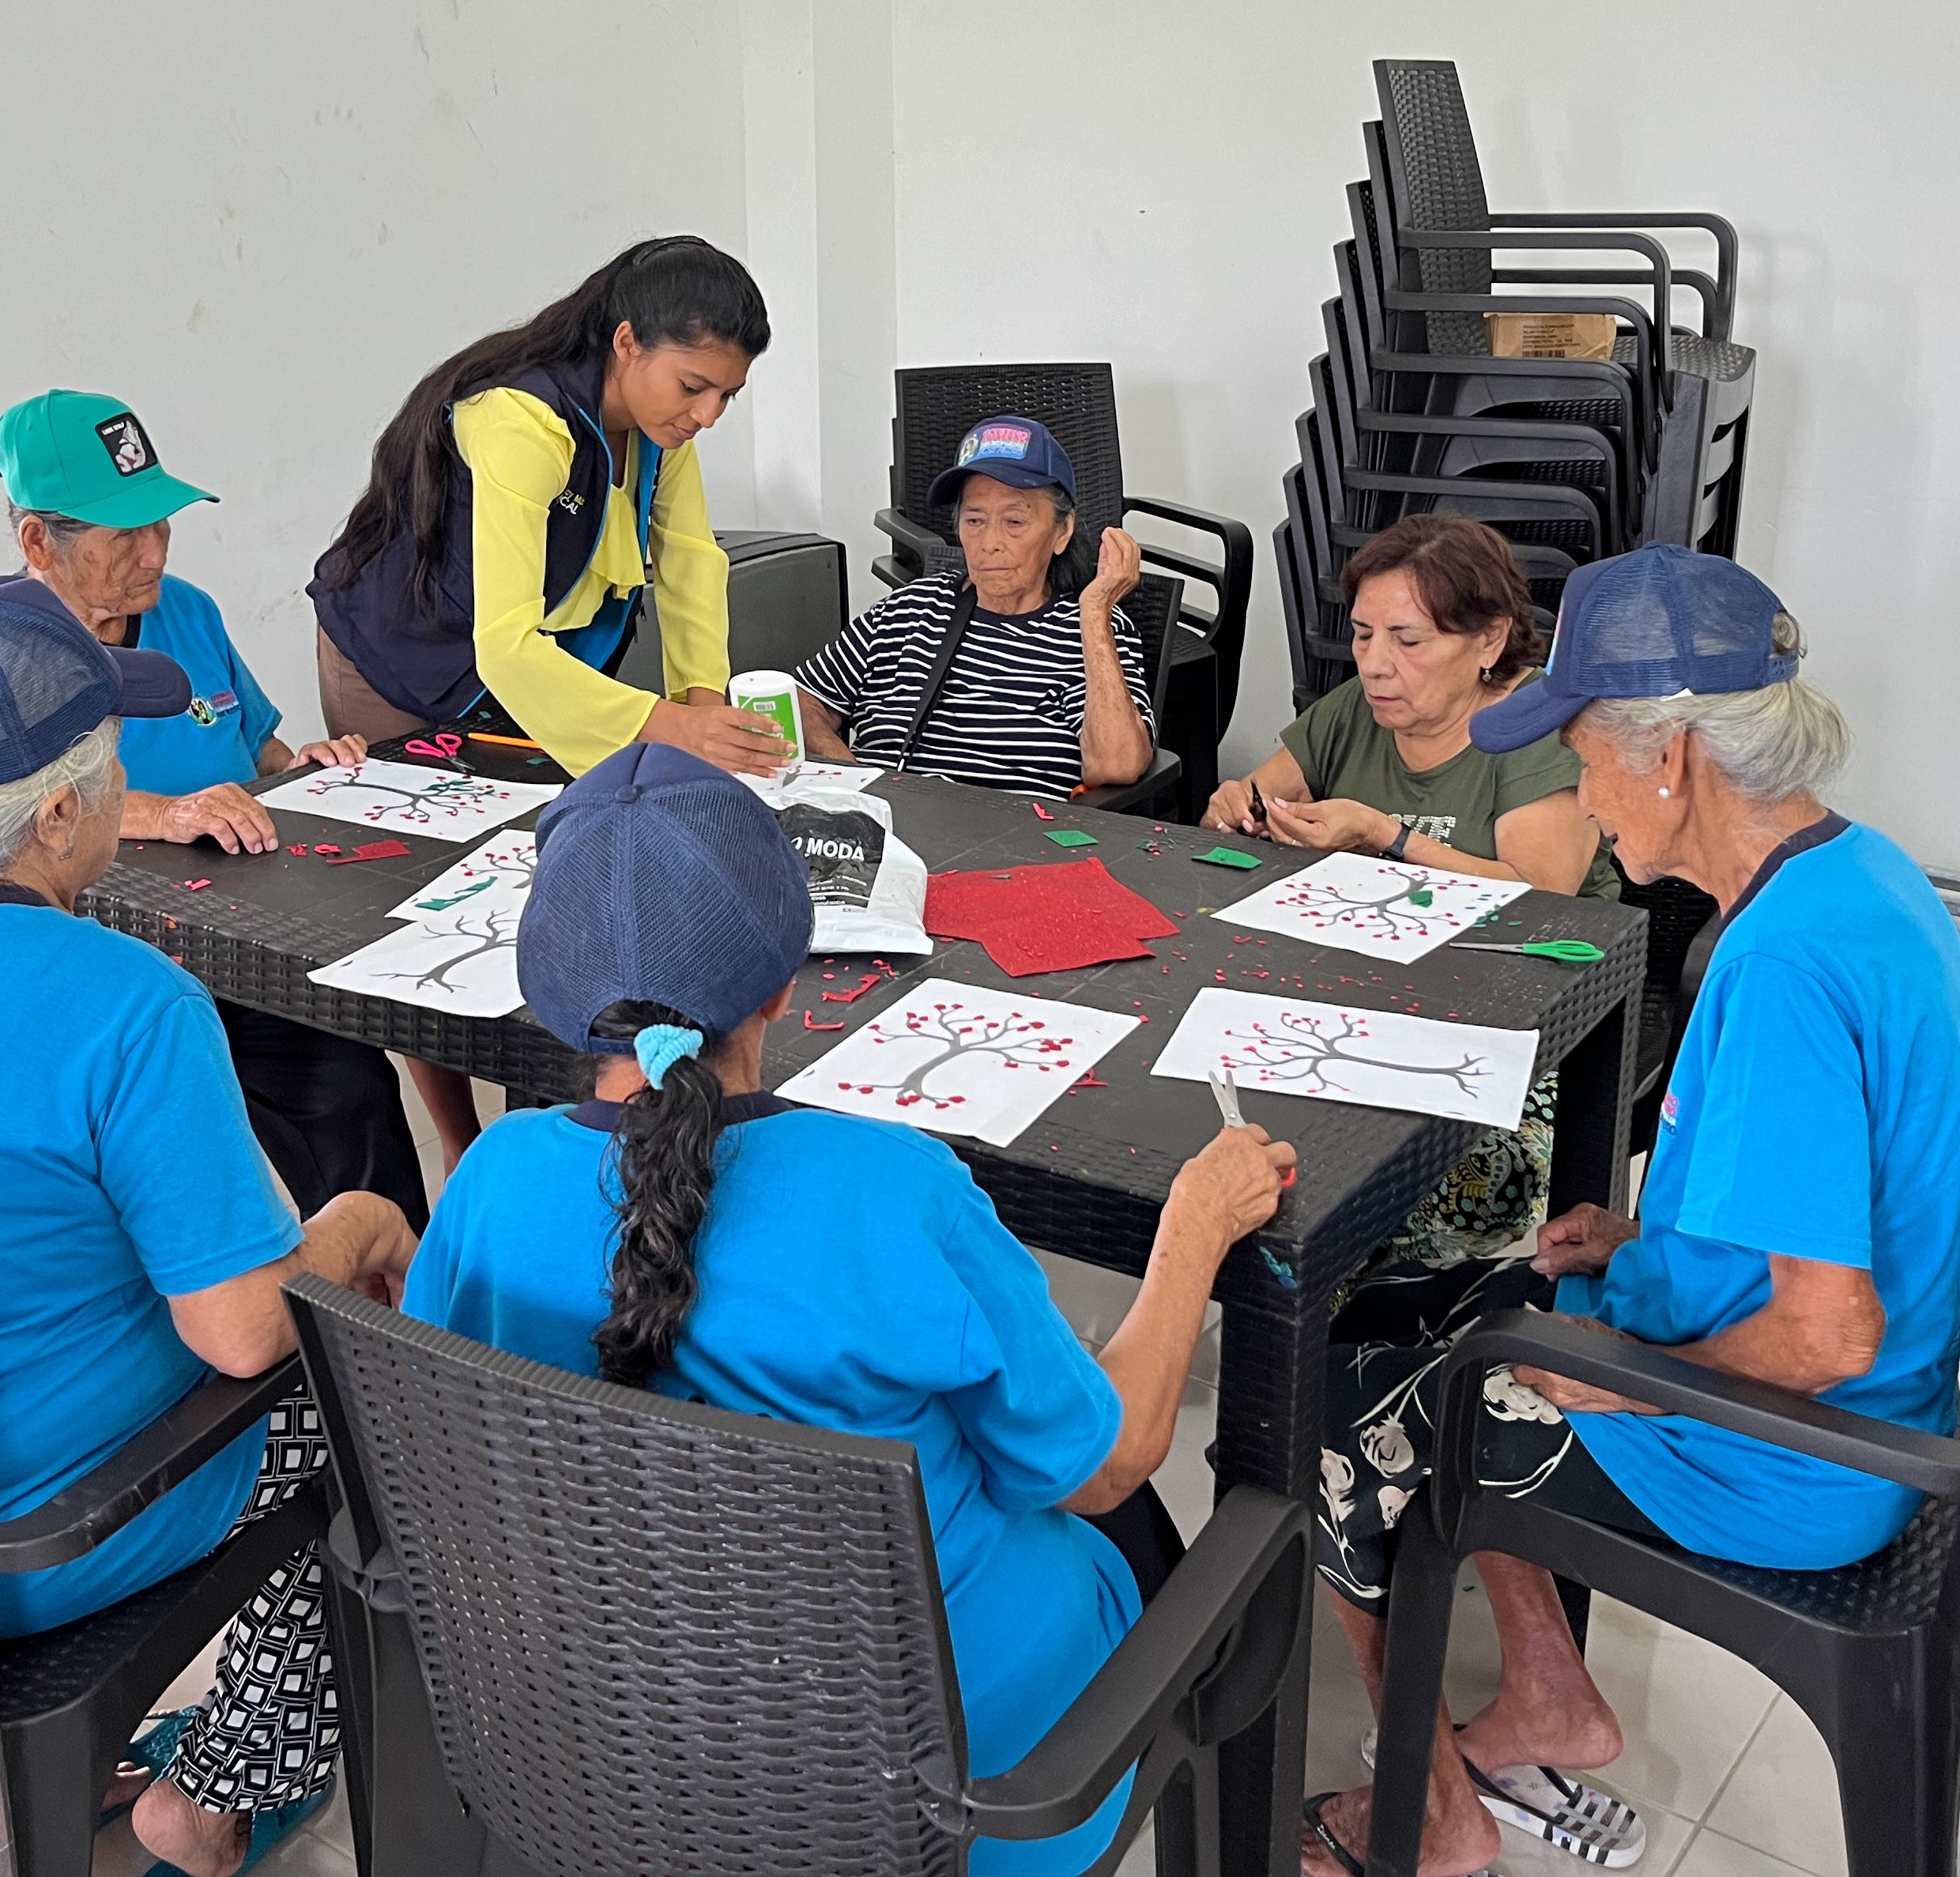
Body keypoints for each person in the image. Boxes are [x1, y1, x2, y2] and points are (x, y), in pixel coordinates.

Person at [403, 743, 1298, 1875]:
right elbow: (1104, 1468)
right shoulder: (893, 1190)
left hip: (626, 1746)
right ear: (788, 981)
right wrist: (1194, 1232)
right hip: (966, 1789)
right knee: (1131, 1515)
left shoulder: (490, 1182)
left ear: (560, 1001)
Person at [1298, 546, 1960, 1877]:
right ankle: (1551, 1697)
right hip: (1874, 1411)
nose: (1584, 796)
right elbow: (1836, 1194)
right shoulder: (1860, 876)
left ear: (1670, 754)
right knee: (1441, 1305)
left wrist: (1632, 1373)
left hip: (1794, 1457)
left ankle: (1434, 1814)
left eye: (1583, 760)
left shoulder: (1777, 968)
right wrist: (1646, 1245)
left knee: (1332, 1409)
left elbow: (1828, 1331)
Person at [0, 579, 417, 1877]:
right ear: (57, 815)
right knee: (359, 1393)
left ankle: (0, 1765)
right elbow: (241, 1333)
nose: (124, 782)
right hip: (8, 1542)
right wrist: (358, 1220)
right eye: (112, 757)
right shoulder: (127, 1001)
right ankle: (213, 1801)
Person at [0, 389, 430, 1227]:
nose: (155, 553)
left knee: (350, 1081)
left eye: (162, 524)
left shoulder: (186, 611)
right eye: (126, 535)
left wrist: (302, 767)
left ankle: (396, 1288)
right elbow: (12, 814)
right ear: (39, 542)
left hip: (252, 942)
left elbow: (254, 746)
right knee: (176, 1156)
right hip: (114, 969)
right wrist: (164, 814)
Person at [1211, 514, 1615, 1272]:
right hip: (1367, 994)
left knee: (1422, 1189)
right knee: (1252, 1143)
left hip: (1517, 1016)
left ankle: (1378, 1314)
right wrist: (1241, 809)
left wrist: (1384, 834)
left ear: (1489, 640)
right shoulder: (1354, 712)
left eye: (1408, 640)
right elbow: (1250, 805)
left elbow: (1543, 894)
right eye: (1363, 634)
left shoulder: (1534, 728)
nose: (1375, 664)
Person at [308, 236, 788, 780]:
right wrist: (674, 726)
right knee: (437, 826)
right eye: (692, 387)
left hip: (517, 671)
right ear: (627, 343)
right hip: (402, 657)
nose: (707, 415)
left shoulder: (662, 426)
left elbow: (691, 559)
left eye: (727, 395)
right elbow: (506, 645)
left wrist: (704, 709)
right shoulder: (520, 421)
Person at [792, 415, 1154, 797]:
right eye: (975, 520)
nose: (989, 542)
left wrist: (1095, 611)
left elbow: (1116, 764)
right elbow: (800, 699)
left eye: (1015, 521)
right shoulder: (908, 610)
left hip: (1009, 831)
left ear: (1062, 531)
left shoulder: (1092, 630)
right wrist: (854, 780)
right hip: (878, 825)